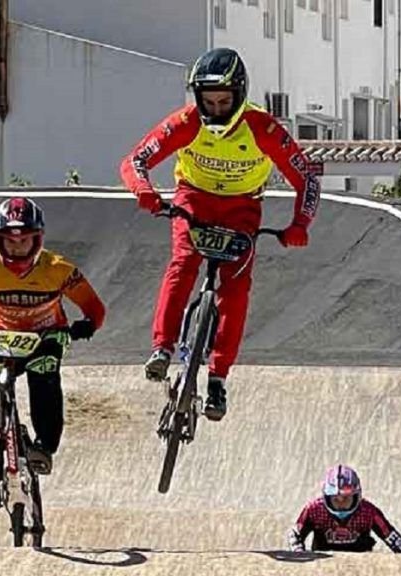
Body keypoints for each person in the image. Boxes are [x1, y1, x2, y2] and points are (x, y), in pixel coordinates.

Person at [119, 47, 320, 422]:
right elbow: (135, 160)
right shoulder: (186, 121)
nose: (215, 109)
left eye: (224, 101)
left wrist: (300, 224)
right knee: (182, 264)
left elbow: (306, 176)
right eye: (207, 101)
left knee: (236, 289)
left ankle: (218, 378)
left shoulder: (263, 128)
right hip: (193, 200)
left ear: (240, 96)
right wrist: (144, 191)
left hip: (241, 208)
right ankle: (162, 349)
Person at [0, 197, 105, 510]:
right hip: (3, 338)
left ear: (37, 239)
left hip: (46, 336)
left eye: (24, 240)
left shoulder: (59, 269)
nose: (17, 248)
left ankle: (44, 447)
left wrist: (87, 325)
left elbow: (95, 307)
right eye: (9, 241)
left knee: (44, 378)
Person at [288, 465, 401, 554]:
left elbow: (394, 539)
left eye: (346, 499)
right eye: (336, 500)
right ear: (326, 497)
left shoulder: (369, 512)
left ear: (356, 497)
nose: (341, 505)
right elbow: (294, 534)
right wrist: (300, 556)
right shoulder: (313, 510)